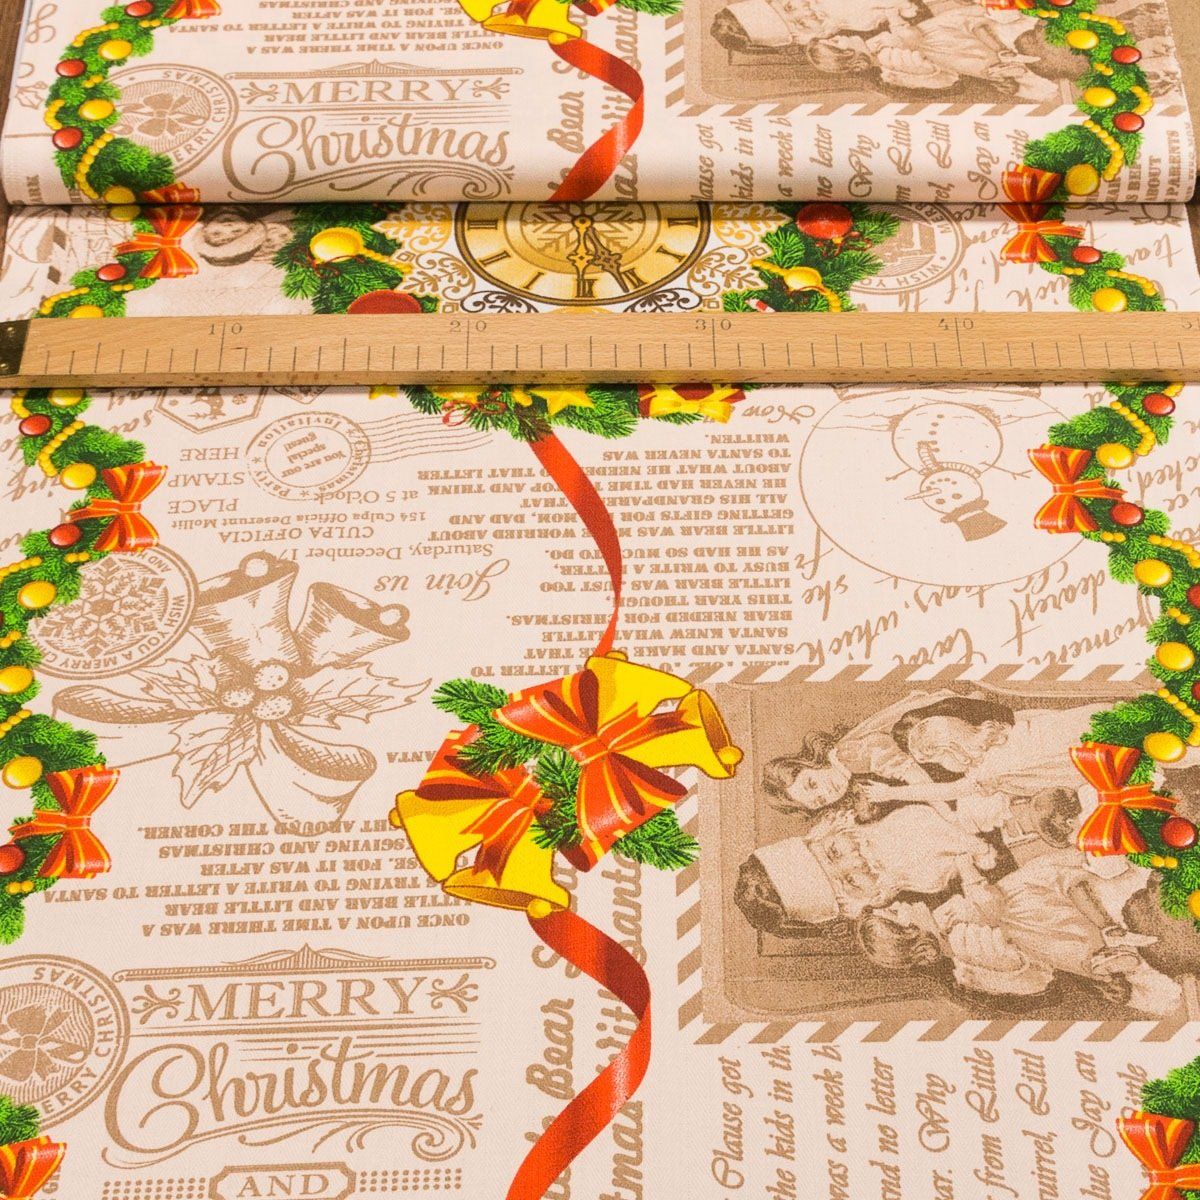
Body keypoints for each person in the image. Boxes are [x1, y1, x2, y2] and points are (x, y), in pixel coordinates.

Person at [855, 851, 1181, 1016]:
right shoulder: (955, 937)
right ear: (907, 935)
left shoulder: (941, 922)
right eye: (894, 913)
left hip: (1019, 921)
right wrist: (967, 868)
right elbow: (989, 905)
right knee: (1047, 905)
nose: (898, 905)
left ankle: (1109, 951)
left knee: (1047, 889)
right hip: (1021, 925)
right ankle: (1114, 954)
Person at [734, 802, 1000, 936]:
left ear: (826, 833)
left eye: (834, 852)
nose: (858, 862)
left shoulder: (881, 804)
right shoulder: (923, 905)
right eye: (851, 881)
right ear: (858, 904)